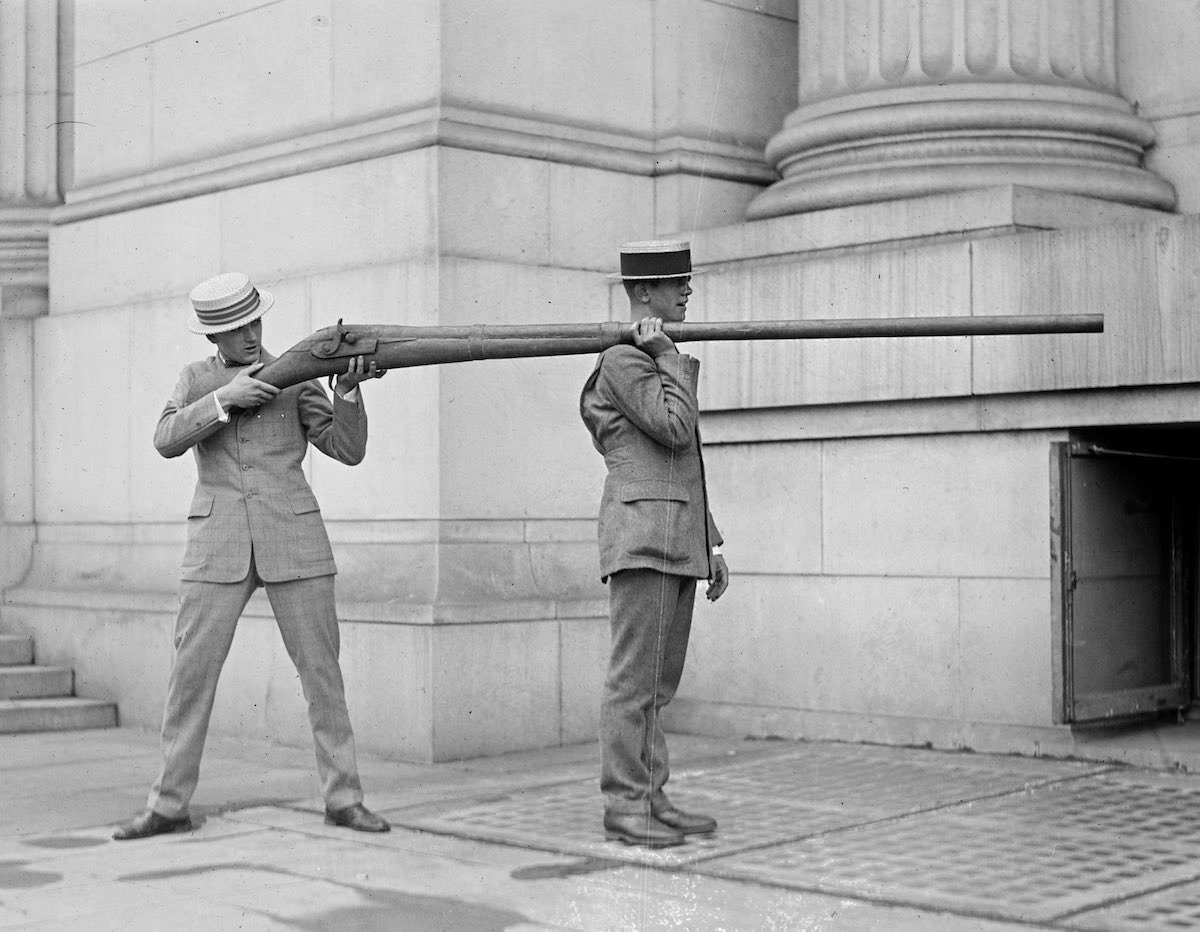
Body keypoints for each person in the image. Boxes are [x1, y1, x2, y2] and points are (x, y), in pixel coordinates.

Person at [114, 272, 389, 840]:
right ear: (213, 338)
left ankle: (345, 799)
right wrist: (222, 401)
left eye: (253, 323)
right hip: (217, 546)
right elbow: (165, 439)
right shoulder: (195, 378)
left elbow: (347, 450)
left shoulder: (294, 370)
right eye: (235, 329)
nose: (248, 336)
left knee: (322, 678)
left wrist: (348, 392)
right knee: (189, 680)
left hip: (295, 538)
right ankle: (168, 805)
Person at [579, 240, 730, 848]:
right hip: (643, 536)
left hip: (671, 534)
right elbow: (674, 428)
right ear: (644, 294)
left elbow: (683, 463)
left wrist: (710, 542)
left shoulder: (648, 356)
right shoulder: (625, 361)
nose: (687, 292)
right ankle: (623, 804)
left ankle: (650, 795)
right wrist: (668, 355)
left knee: (657, 686)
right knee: (633, 682)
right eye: (677, 284)